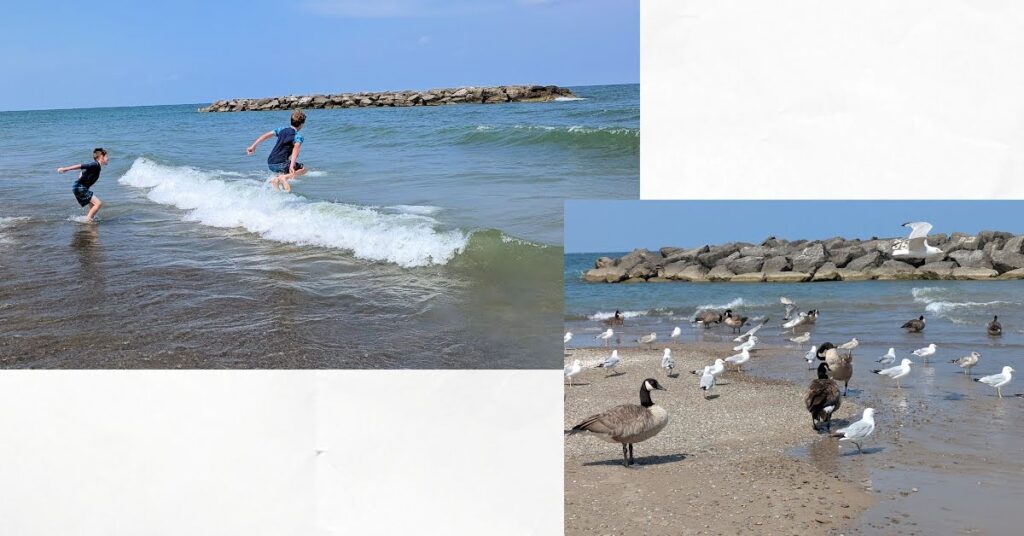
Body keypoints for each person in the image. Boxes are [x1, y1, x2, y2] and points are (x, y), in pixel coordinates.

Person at [246, 109, 308, 192]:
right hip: (281, 163)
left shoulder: (281, 129)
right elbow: (295, 149)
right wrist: (292, 165)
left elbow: (265, 136)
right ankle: (284, 177)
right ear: (302, 124)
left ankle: (277, 182)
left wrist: (253, 146)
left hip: (270, 162)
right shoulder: (297, 136)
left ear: (291, 121)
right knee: (304, 169)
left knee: (282, 173)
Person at [57, 148, 108, 222]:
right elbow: (80, 166)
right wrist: (65, 169)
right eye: (106, 157)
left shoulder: (96, 166)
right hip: (79, 187)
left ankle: (88, 219)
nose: (108, 159)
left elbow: (83, 171)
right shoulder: (95, 165)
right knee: (98, 204)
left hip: (79, 187)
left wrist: (82, 174)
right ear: (101, 157)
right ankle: (88, 221)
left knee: (93, 206)